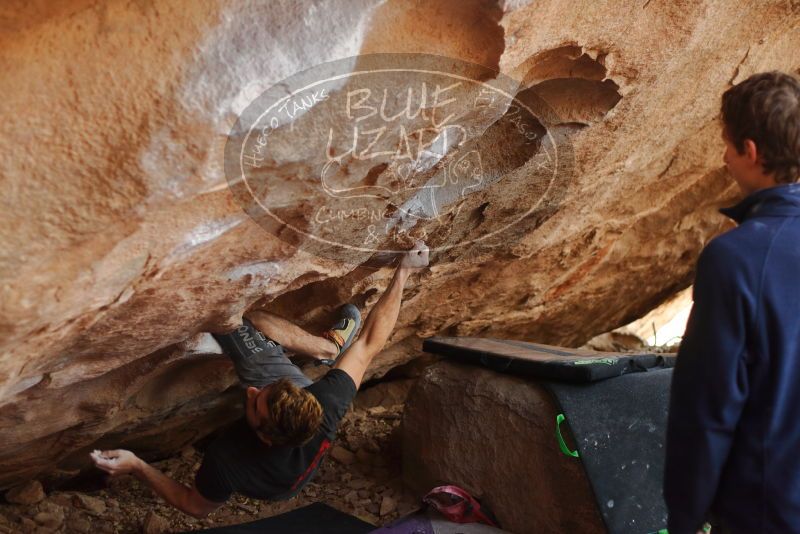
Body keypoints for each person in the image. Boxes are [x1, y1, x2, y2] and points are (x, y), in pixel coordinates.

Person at [91, 241, 429, 518]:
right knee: (240, 324)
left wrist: (136, 465)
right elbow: (370, 342)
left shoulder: (230, 462)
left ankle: (302, 342)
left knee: (232, 319)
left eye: (255, 402)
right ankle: (327, 349)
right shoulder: (326, 403)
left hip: (276, 485)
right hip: (292, 460)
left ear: (265, 438)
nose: (251, 392)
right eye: (266, 392)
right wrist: (403, 272)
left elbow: (195, 506)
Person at [664, 71, 800, 534]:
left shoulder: (735, 259)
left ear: (752, 152)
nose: (723, 157)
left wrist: (684, 516)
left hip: (766, 509)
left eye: (727, 143)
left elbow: (708, 407)